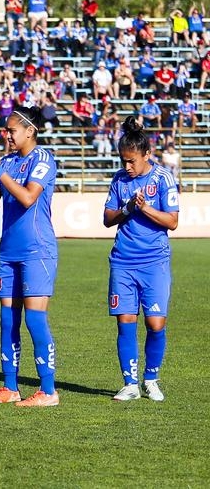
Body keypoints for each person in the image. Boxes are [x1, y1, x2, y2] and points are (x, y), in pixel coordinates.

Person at [0, 105, 60, 407]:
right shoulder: (8, 162)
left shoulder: (43, 159)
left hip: (37, 251)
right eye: (6, 130)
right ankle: (10, 387)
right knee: (7, 320)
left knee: (35, 320)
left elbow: (27, 198)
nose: (7, 135)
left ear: (30, 131)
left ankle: (48, 390)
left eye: (12, 130)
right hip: (8, 252)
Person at [103, 117, 179, 402]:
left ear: (147, 155)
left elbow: (172, 222)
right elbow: (108, 219)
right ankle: (130, 383)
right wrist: (127, 208)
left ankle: (151, 379)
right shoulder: (119, 180)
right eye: (124, 160)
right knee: (125, 320)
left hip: (154, 262)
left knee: (156, 324)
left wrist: (144, 208)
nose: (127, 166)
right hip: (123, 261)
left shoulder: (163, 179)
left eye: (132, 161)